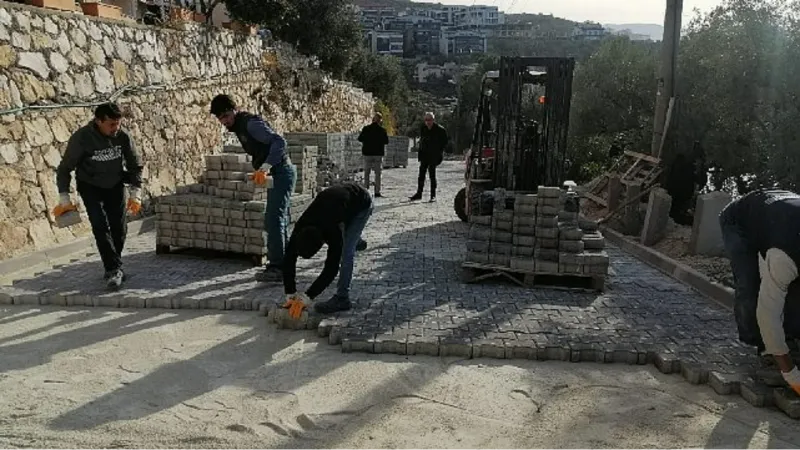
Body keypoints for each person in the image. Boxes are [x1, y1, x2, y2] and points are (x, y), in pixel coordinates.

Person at [54, 102, 143, 290]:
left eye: (118, 123)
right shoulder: (82, 138)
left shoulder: (122, 136)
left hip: (115, 184)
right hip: (90, 186)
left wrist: (136, 192)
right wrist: (64, 197)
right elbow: (65, 168)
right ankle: (113, 269)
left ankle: (113, 264)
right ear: (98, 121)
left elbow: (135, 165)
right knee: (99, 225)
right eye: (111, 124)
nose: (115, 128)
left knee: (119, 227)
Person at [719, 189, 800, 395]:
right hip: (738, 221)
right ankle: (766, 350)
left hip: (777, 214)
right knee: (750, 284)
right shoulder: (784, 257)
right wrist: (792, 375)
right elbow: (768, 314)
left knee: (793, 291)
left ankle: (788, 339)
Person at [210, 94, 297, 284]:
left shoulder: (250, 124)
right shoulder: (239, 126)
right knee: (276, 219)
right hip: (275, 174)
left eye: (226, 116)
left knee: (273, 220)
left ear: (234, 110)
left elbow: (279, 142)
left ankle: (277, 267)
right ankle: (285, 263)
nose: (224, 121)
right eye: (220, 119)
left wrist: (265, 166)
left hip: (281, 172)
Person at [282, 182, 374, 317]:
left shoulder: (333, 233)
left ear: (322, 243)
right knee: (349, 236)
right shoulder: (301, 226)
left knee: (346, 252)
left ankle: (342, 298)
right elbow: (289, 257)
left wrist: (308, 297)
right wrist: (290, 293)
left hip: (362, 203)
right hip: (342, 203)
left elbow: (331, 269)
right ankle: (357, 241)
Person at [410, 112, 448, 203]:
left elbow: (444, 142)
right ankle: (419, 193)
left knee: (432, 174)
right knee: (421, 175)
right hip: (424, 155)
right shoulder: (423, 128)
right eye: (426, 120)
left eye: (429, 120)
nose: (427, 122)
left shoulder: (440, 130)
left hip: (434, 155)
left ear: (433, 120)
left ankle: (433, 195)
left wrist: (438, 151)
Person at [358, 112, 389, 198]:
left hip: (367, 153)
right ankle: (377, 192)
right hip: (378, 154)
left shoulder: (366, 129)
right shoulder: (382, 130)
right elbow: (386, 141)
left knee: (366, 173)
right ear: (380, 120)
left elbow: (360, 139)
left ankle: (366, 191)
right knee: (378, 174)